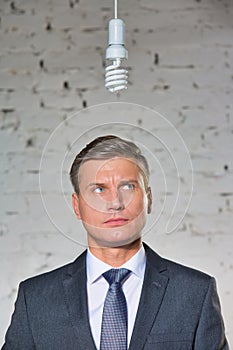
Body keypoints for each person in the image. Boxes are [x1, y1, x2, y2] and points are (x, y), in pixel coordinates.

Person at [2, 135, 229, 349]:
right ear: (77, 206)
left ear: (148, 199)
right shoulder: (35, 299)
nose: (115, 203)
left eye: (128, 187)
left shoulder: (195, 293)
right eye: (99, 189)